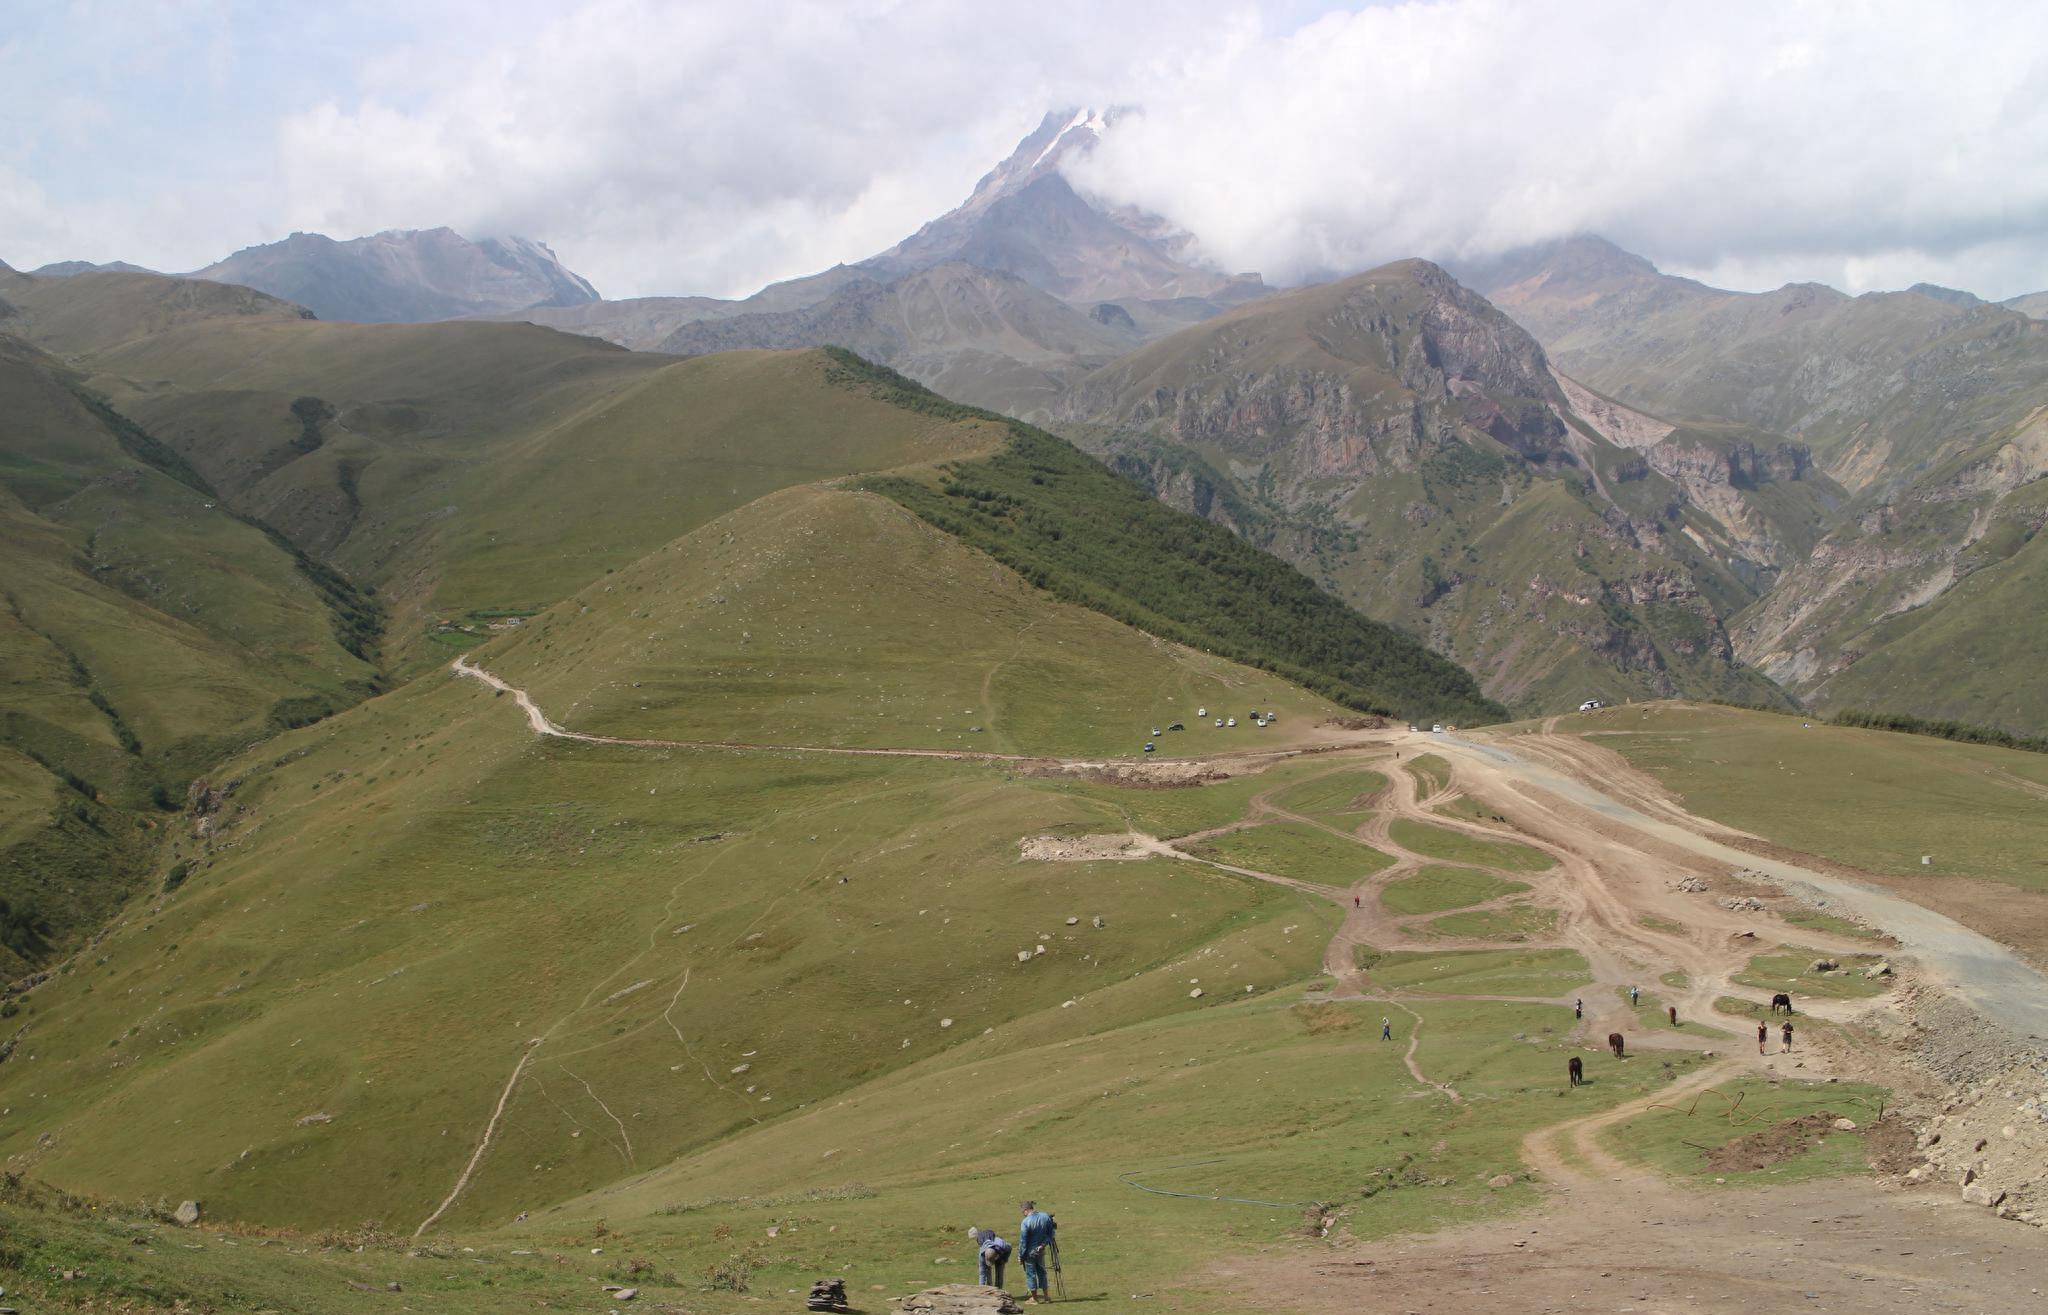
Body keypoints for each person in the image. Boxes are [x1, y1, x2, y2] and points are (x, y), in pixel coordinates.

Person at [1018, 1200, 1057, 1303]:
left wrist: (1021, 1256)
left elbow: (1023, 1241)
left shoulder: (1025, 1222)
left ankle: (1034, 1298)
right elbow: (1051, 1234)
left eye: (1023, 1212)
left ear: (1026, 1210)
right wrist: (1043, 1244)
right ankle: (1046, 1297)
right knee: (1042, 1273)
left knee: (1030, 1274)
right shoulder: (1045, 1216)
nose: (1023, 1214)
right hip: (1041, 1250)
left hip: (1029, 1253)